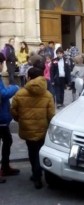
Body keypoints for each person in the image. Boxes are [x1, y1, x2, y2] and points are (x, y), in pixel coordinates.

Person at [10, 67, 55, 189]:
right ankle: (37, 174)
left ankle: (36, 175)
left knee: (31, 151)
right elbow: (51, 115)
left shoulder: (20, 93)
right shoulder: (48, 94)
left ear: (28, 77)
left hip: (27, 127)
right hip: (42, 128)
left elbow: (13, 110)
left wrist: (19, 119)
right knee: (40, 151)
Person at [0, 52, 19, 183]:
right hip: (0, 118)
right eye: (1, 63)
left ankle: (5, 167)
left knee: (8, 140)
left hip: (2, 118)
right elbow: (2, 94)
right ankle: (5, 167)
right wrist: (14, 88)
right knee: (7, 140)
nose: (2, 66)